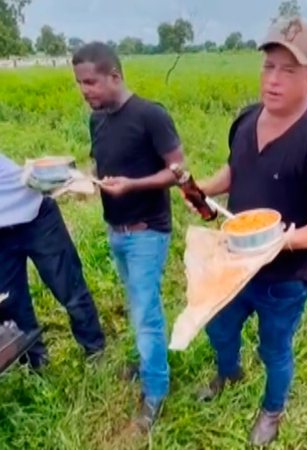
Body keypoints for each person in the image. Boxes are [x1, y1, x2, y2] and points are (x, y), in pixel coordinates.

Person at [188, 17, 307, 446]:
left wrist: (285, 240)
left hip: (284, 277)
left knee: (274, 348)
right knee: (218, 327)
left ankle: (272, 410)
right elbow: (235, 169)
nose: (274, 80)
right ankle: (228, 372)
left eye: (289, 70)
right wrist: (202, 187)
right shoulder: (247, 119)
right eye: (269, 66)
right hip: (234, 262)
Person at [72, 42, 185, 432]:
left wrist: (132, 186)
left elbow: (178, 171)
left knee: (145, 314)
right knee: (138, 306)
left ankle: (156, 391)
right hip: (115, 230)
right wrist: (82, 181)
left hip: (147, 232)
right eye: (79, 83)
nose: (85, 90)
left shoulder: (151, 116)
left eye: (91, 82)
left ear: (115, 76)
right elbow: (99, 163)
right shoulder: (97, 119)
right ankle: (146, 363)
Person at [0, 153, 106, 370]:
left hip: (37, 216)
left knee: (70, 288)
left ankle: (96, 354)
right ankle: (36, 366)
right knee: (12, 304)